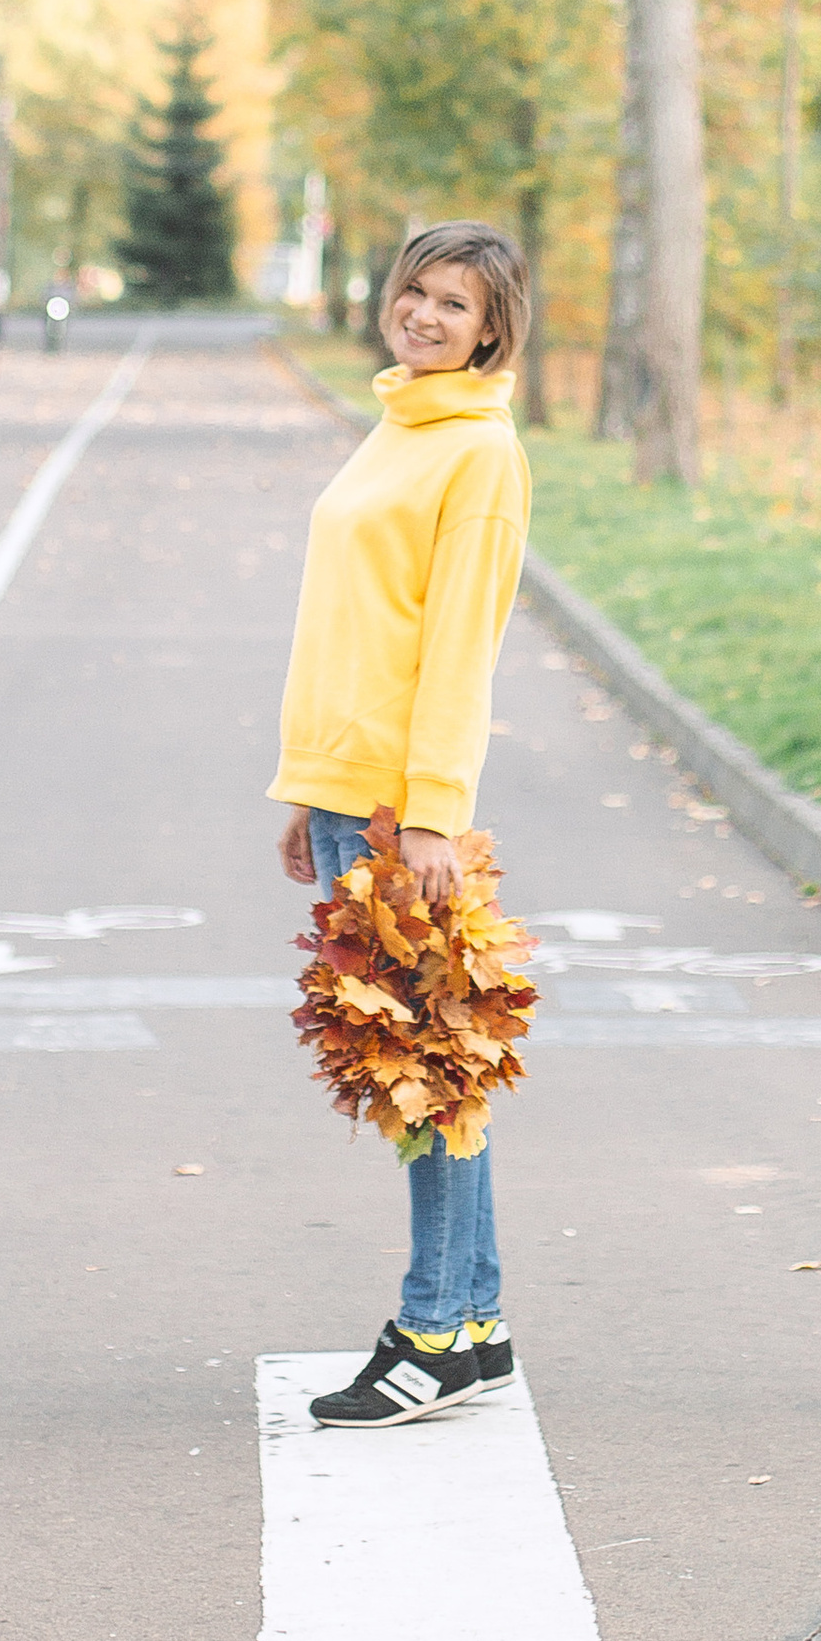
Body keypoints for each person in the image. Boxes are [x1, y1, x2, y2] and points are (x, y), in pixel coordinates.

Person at [272, 220, 532, 1428]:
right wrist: (305, 789)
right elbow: (350, 623)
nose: (425, 315)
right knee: (435, 1066)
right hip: (345, 791)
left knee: (422, 1075)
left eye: (455, 305)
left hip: (398, 811)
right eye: (415, 292)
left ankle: (428, 1328)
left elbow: (456, 650)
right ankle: (473, 1324)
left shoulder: (476, 453)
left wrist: (428, 817)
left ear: (493, 328)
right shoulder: (401, 420)